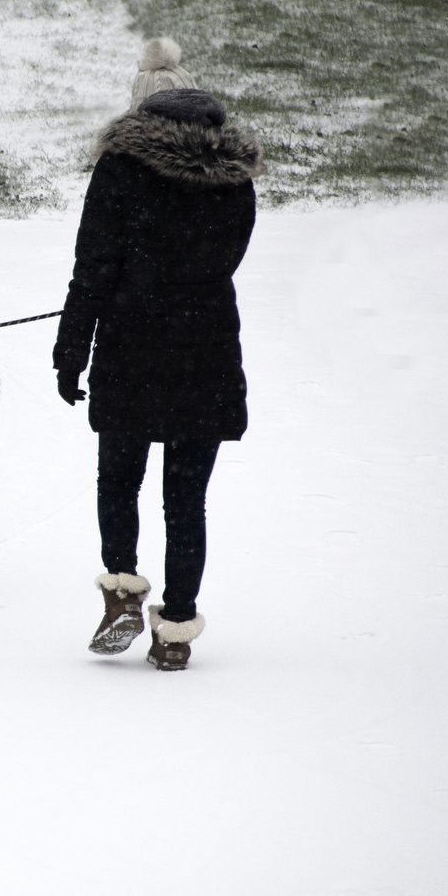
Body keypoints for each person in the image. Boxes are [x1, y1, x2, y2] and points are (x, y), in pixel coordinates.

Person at [54, 74, 262, 671]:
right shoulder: (234, 181)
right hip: (208, 350)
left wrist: (72, 349)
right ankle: (174, 633)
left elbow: (92, 265)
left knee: (120, 480)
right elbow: (227, 259)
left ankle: (121, 597)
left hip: (132, 347)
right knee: (186, 500)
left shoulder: (122, 168)